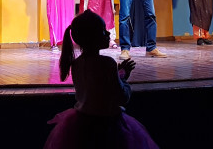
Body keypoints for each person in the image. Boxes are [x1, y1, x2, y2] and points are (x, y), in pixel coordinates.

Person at [44, 10, 159, 149]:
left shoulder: (76, 64)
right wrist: (123, 78)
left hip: (83, 124)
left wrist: (118, 74)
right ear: (92, 37)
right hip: (107, 125)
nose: (108, 34)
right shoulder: (107, 63)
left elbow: (95, 86)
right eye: (103, 31)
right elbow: (121, 97)